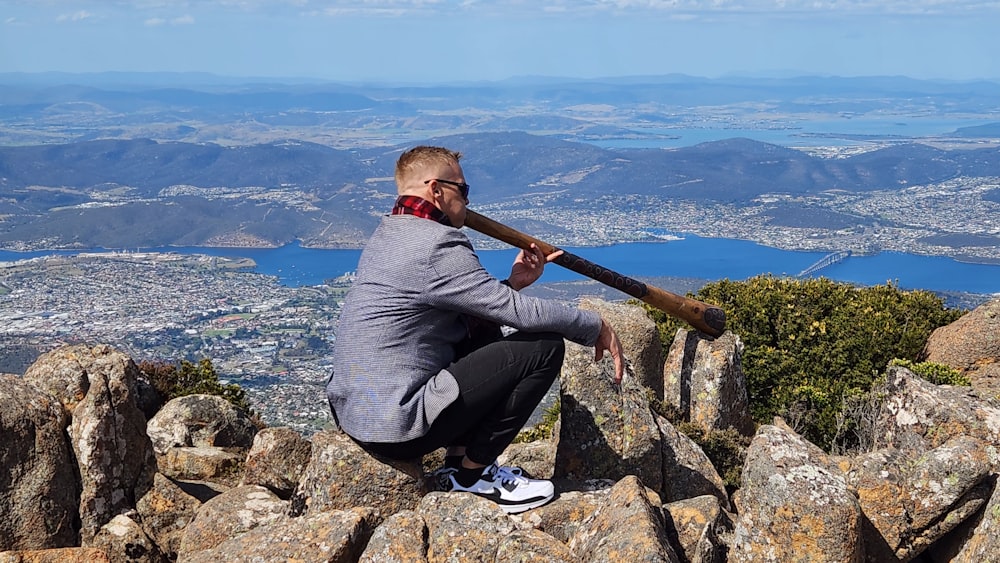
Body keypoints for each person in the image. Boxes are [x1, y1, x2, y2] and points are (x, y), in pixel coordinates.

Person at [325, 145, 625, 514]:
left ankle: (458, 462)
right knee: (544, 347)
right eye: (462, 191)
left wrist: (512, 284)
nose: (468, 201)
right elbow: (517, 314)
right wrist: (595, 326)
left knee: (483, 331)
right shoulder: (435, 244)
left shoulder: (390, 233)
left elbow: (472, 306)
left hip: (359, 413)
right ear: (436, 190)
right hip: (397, 424)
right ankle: (474, 475)